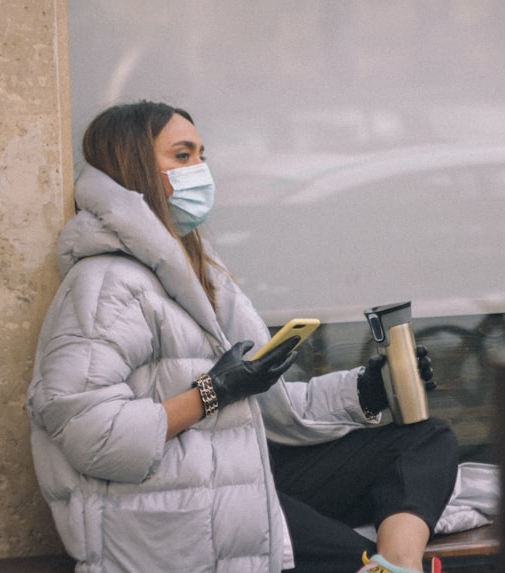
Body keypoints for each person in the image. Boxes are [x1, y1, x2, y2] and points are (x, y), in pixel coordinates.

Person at [27, 100, 459, 573]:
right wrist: (211, 393)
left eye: (202, 156)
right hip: (172, 503)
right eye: (183, 156)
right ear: (136, 169)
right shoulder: (107, 283)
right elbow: (89, 434)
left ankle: (398, 564)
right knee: (342, 559)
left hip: (236, 472)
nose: (201, 171)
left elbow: (275, 410)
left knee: (423, 438)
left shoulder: (199, 274)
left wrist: (366, 389)